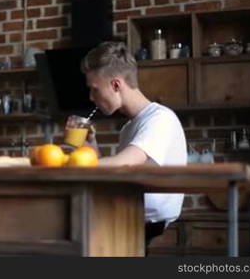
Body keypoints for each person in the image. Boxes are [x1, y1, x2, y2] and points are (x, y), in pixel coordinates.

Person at [80, 41, 187, 251]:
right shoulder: (129, 127)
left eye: (94, 90)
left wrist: (67, 166)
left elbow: (123, 164)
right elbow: (116, 174)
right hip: (127, 217)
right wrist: (91, 143)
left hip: (142, 224)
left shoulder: (160, 119)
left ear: (116, 85)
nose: (91, 98)